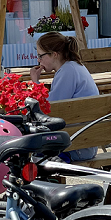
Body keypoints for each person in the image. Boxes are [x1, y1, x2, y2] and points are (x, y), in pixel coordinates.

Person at [29, 32, 99, 161]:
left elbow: (50, 110)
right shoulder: (74, 66)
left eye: (41, 56)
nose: (38, 60)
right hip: (86, 142)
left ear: (55, 54)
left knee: (32, 156)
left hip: (76, 147)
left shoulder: (67, 71)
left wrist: (35, 83)